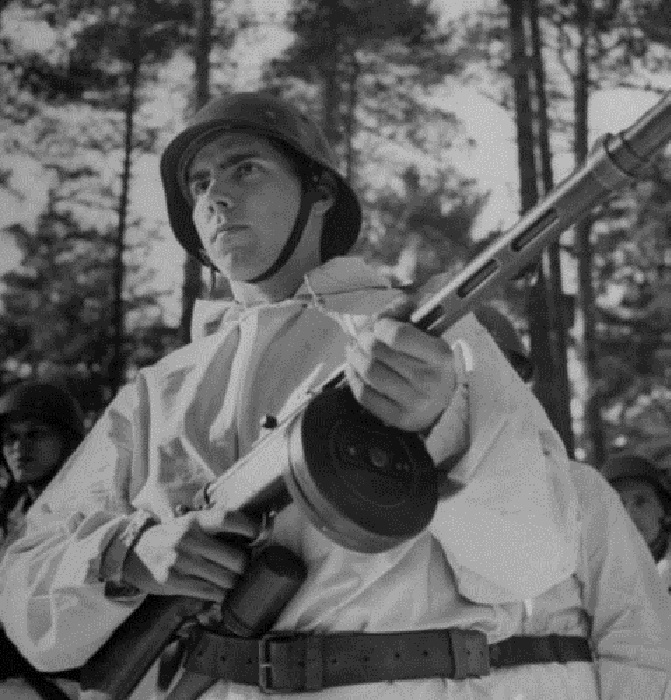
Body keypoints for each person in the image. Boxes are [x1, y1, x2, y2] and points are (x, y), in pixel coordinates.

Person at [0, 91, 624, 700]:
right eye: (199, 183)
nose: (216, 196)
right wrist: (125, 557)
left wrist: (443, 433)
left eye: (246, 169)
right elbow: (27, 603)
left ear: (320, 192)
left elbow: (532, 563)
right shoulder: (156, 394)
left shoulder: (431, 341)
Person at [473, 303, 671, 700]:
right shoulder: (392, 500)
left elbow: (644, 642)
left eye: (642, 501)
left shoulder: (577, 490)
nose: (476, 383)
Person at [0, 380, 85, 700]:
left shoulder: (82, 510)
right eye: (9, 437)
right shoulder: (13, 512)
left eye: (34, 434)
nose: (18, 448)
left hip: (61, 674)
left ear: (67, 441)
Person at [603, 454, 671, 699]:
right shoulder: (591, 590)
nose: (630, 514)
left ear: (664, 510)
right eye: (618, 503)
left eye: (641, 501)